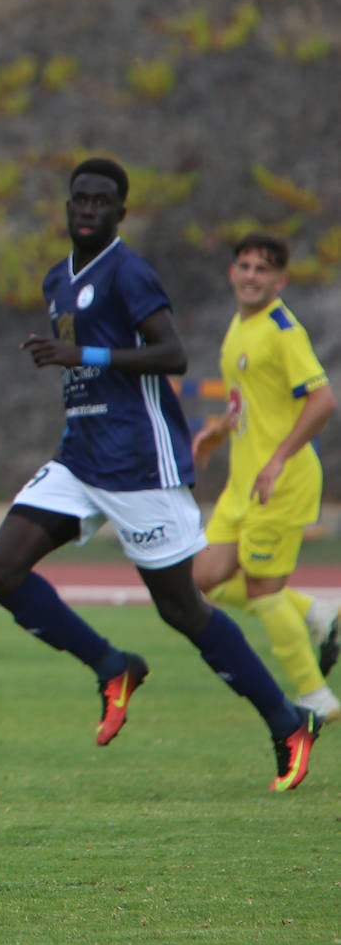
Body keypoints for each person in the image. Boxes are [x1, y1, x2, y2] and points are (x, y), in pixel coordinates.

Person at [0, 158, 323, 792]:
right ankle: (111, 666)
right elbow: (84, 372)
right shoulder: (59, 278)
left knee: (184, 610)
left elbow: (172, 353)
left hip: (140, 464)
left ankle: (287, 720)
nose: (87, 209)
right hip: (81, 457)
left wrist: (84, 354)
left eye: (100, 201)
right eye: (78, 199)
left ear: (119, 213)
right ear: (67, 207)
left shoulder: (129, 271)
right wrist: (74, 364)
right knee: (0, 568)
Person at [190, 233, 340, 722]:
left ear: (280, 279)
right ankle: (318, 614)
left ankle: (316, 697)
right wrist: (217, 431)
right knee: (198, 580)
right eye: (245, 266)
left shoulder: (281, 329)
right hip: (243, 484)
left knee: (262, 592)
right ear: (233, 272)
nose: (251, 276)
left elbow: (322, 401)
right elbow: (248, 400)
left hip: (281, 481)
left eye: (262, 269)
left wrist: (276, 460)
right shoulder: (239, 324)